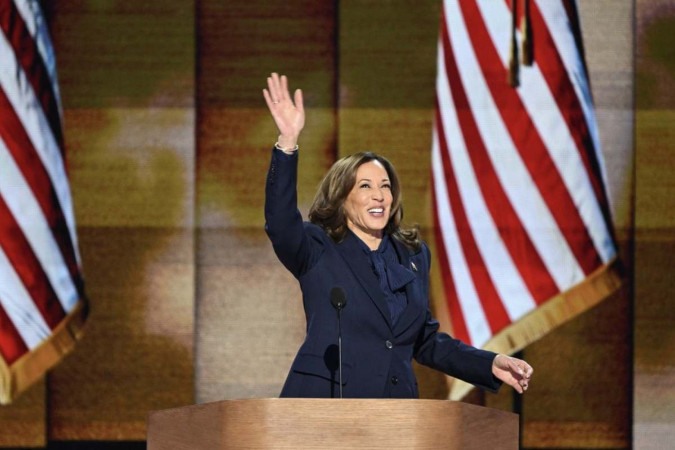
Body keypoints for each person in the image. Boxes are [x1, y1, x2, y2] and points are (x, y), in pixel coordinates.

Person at [263, 72, 533, 398]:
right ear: (342, 197)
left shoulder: (413, 256)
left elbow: (424, 340)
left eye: (385, 186)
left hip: (396, 415)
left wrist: (488, 364)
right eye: (365, 186)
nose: (379, 196)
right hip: (327, 406)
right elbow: (280, 223)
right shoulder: (318, 248)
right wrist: (288, 142)